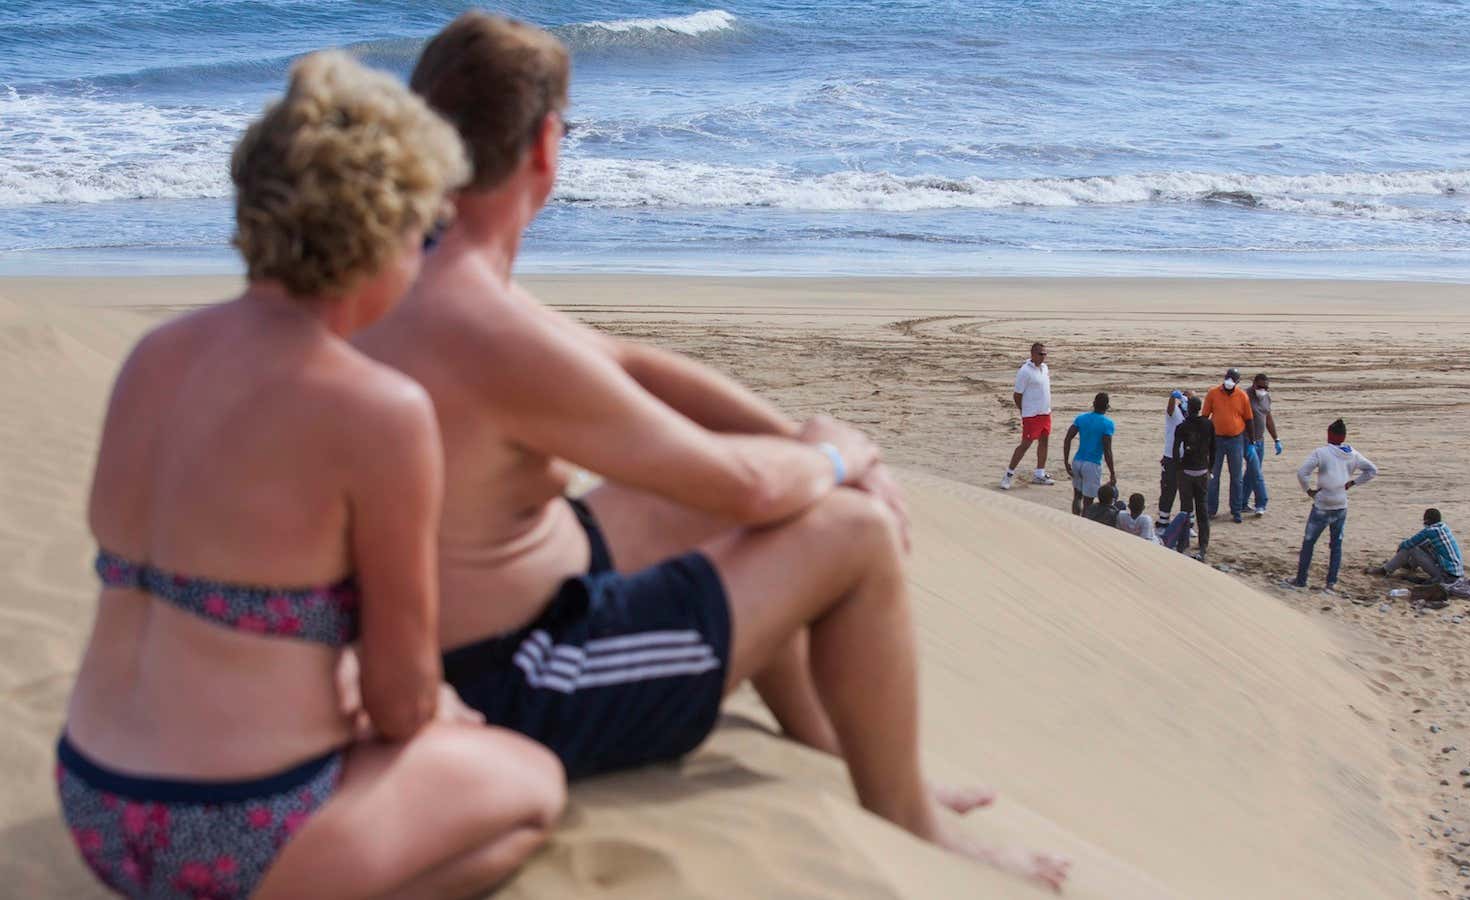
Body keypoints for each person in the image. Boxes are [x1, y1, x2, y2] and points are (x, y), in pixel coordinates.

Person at [357, 13, 1067, 892]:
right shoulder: (483, 325)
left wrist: (790, 437)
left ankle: (837, 745)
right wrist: (843, 457)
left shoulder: (416, 264)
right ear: (545, 146)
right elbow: (746, 489)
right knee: (851, 534)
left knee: (740, 501)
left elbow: (629, 364)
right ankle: (907, 818)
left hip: (466, 626)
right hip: (521, 685)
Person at [56, 53, 565, 900]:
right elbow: (402, 701)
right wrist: (435, 717)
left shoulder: (155, 357)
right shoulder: (379, 409)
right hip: (233, 824)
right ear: (385, 228)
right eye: (425, 232)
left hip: (95, 801)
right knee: (529, 784)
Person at [1284, 419, 1379, 592]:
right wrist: (1353, 483)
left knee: (1309, 542)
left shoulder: (1322, 452)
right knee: (1336, 545)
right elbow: (1372, 470)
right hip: (1341, 504)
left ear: (1330, 435)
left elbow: (1302, 473)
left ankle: (1301, 579)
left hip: (1323, 503)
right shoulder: (1353, 454)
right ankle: (1331, 582)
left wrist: (1308, 490)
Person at [1202, 367, 1253, 524]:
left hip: (1236, 439)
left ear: (1237, 382)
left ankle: (1236, 510)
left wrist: (1252, 441)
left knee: (1236, 477)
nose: (1229, 381)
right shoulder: (1213, 393)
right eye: (1228, 378)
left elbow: (1248, 419)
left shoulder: (1242, 396)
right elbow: (1205, 416)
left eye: (1233, 379)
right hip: (1216, 440)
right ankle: (1211, 510)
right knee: (1213, 476)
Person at [1001, 342, 1054, 489]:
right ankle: (1008, 475)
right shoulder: (1025, 371)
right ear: (1033, 354)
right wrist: (1024, 411)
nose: (1043, 357)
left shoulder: (1044, 368)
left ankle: (1040, 473)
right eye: (1040, 354)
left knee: (1044, 441)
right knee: (1025, 444)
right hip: (1031, 415)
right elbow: (1017, 395)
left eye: (1045, 354)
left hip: (1045, 413)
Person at [1171, 396, 1216, 562]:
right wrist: (1210, 467)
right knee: (1202, 509)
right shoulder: (1208, 424)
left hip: (1187, 471)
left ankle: (1183, 544)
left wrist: (1178, 467)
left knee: (1185, 510)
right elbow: (1214, 448)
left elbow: (1175, 449)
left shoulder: (1182, 426)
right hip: (1202, 469)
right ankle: (1203, 546)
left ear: (1189, 408)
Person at [1367, 508, 1464, 584]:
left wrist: (1400, 549)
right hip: (1456, 572)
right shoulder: (1443, 527)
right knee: (1424, 545)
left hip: (1445, 575)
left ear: (1427, 520)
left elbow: (1409, 543)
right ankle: (1408, 565)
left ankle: (1386, 570)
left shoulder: (1430, 531)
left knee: (1411, 548)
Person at [1063, 392, 1116, 517]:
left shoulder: (1081, 418)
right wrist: (1112, 472)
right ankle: (1083, 525)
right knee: (1088, 501)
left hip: (1078, 460)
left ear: (1093, 404)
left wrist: (1066, 461)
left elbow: (1068, 438)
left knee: (1077, 496)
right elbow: (1107, 450)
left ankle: (1075, 519)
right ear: (1107, 406)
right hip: (1093, 464)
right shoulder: (1107, 424)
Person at [1241, 373, 1282, 517]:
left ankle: (1242, 502)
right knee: (1256, 472)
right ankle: (1261, 503)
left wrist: (1276, 439)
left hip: (1260, 440)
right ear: (1253, 384)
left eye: (1265, 388)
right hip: (1246, 440)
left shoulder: (1266, 397)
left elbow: (1268, 418)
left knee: (1251, 473)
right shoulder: (1244, 396)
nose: (1262, 390)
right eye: (1260, 387)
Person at [1157, 389, 1192, 531]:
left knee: (1187, 492)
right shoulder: (1175, 412)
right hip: (1171, 457)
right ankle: (1163, 523)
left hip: (1187, 458)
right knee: (1168, 490)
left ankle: (1187, 525)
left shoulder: (1192, 416)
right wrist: (1172, 397)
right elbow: (1170, 409)